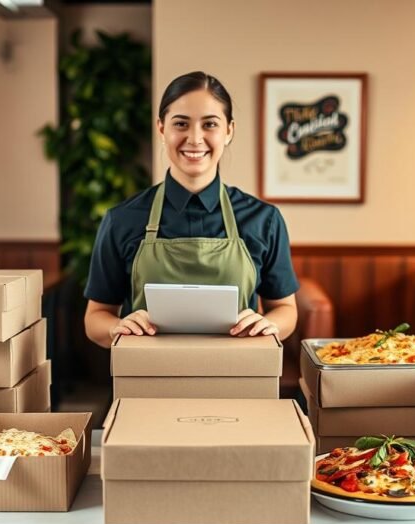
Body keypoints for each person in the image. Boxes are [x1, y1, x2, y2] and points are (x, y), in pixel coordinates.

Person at [84, 71, 300, 348]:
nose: (195, 138)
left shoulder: (264, 219)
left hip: (241, 376)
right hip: (146, 379)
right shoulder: (122, 219)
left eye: (210, 124)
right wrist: (117, 326)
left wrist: (270, 324)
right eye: (181, 124)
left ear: (229, 131)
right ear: (162, 129)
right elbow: (95, 318)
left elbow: (286, 309)